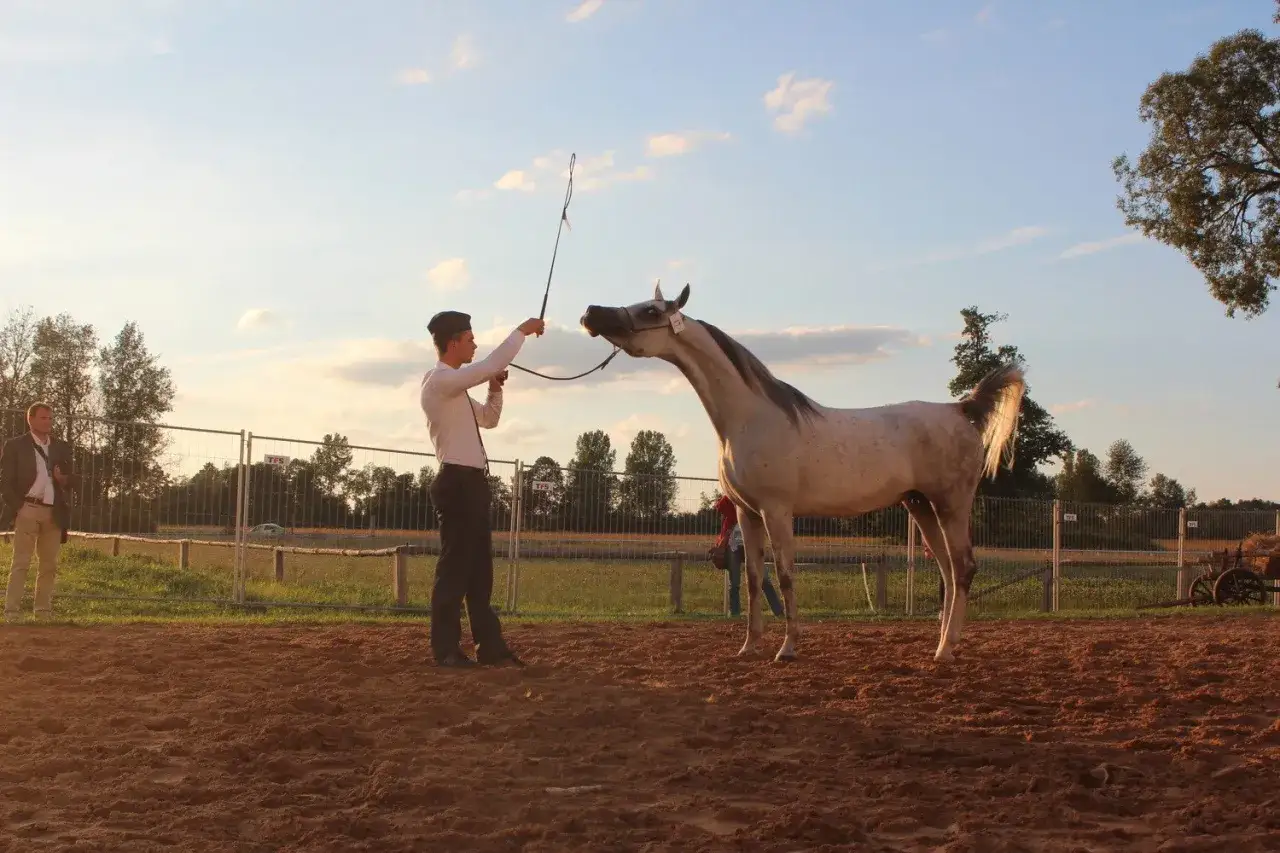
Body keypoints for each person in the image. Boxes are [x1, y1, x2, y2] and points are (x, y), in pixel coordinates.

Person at [420, 310, 545, 668]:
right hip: (457, 483)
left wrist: (494, 388)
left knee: (478, 572)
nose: (475, 343)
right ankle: (445, 650)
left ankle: (489, 647)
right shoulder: (439, 381)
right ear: (453, 343)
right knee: (454, 569)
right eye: (470, 338)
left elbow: (489, 419)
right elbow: (492, 362)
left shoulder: (454, 390)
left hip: (471, 484)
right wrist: (523, 330)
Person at [1, 402, 81, 622]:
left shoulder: (61, 447)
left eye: (50, 418)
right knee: (21, 563)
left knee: (49, 564)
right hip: (27, 508)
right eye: (44, 418)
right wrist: (19, 507)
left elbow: (74, 479)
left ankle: (43, 611)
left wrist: (63, 480)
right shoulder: (15, 446)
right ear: (31, 419)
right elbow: (4, 482)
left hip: (52, 511)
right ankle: (12, 612)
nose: (48, 422)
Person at [712, 494, 783, 618]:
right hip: (732, 544)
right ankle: (734, 613)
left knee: (764, 579)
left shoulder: (754, 499)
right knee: (734, 583)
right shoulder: (731, 497)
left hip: (752, 544)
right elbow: (720, 506)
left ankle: (779, 611)